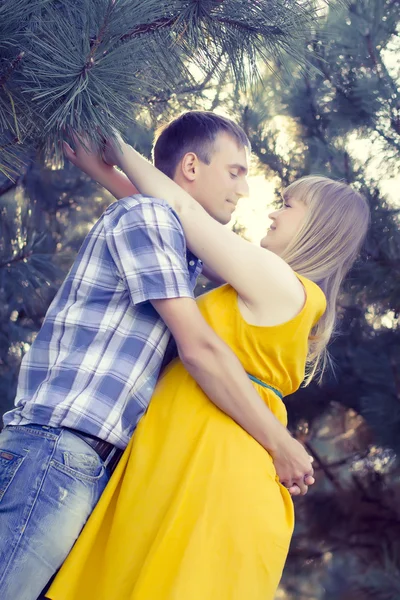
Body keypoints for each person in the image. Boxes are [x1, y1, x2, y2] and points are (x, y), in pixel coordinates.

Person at [0, 112, 314, 600]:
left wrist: (107, 175)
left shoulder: (160, 228)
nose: (245, 190)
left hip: (83, 460)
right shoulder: (148, 218)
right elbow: (198, 346)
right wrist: (279, 441)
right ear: (190, 166)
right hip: (59, 449)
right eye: (236, 171)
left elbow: (177, 230)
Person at [46, 134, 370, 600]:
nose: (273, 212)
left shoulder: (280, 281)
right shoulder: (260, 282)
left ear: (318, 225)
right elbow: (174, 228)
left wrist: (117, 148)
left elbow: (187, 214)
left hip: (213, 478)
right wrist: (104, 174)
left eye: (289, 204)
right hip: (183, 468)